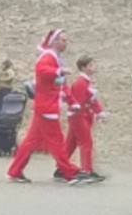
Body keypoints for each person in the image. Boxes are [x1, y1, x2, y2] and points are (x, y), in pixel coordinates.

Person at [7, 30, 82, 184]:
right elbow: (42, 70)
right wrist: (59, 71)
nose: (65, 43)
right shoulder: (48, 57)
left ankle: (14, 171)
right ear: (54, 42)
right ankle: (69, 172)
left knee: (30, 142)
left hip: (47, 105)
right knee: (57, 141)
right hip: (47, 106)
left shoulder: (55, 58)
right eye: (63, 40)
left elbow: (61, 85)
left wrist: (72, 101)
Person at [64, 56, 106, 182]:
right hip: (80, 116)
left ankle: (62, 166)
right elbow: (81, 101)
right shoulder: (81, 83)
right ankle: (86, 169)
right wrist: (96, 111)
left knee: (71, 142)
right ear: (83, 68)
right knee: (86, 142)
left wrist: (99, 111)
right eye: (90, 65)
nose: (93, 68)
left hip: (82, 115)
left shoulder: (85, 82)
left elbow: (90, 100)